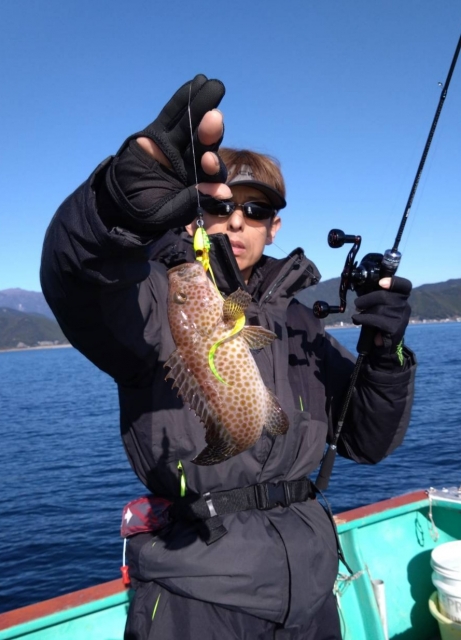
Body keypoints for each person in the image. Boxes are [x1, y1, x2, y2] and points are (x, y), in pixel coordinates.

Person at [40, 74, 416, 640]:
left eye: (256, 208)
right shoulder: (159, 294)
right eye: (222, 205)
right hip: (197, 590)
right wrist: (113, 210)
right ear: (193, 213)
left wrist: (386, 355)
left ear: (275, 226)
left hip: (312, 591)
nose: (238, 220)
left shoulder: (302, 325)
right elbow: (81, 283)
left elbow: (368, 441)